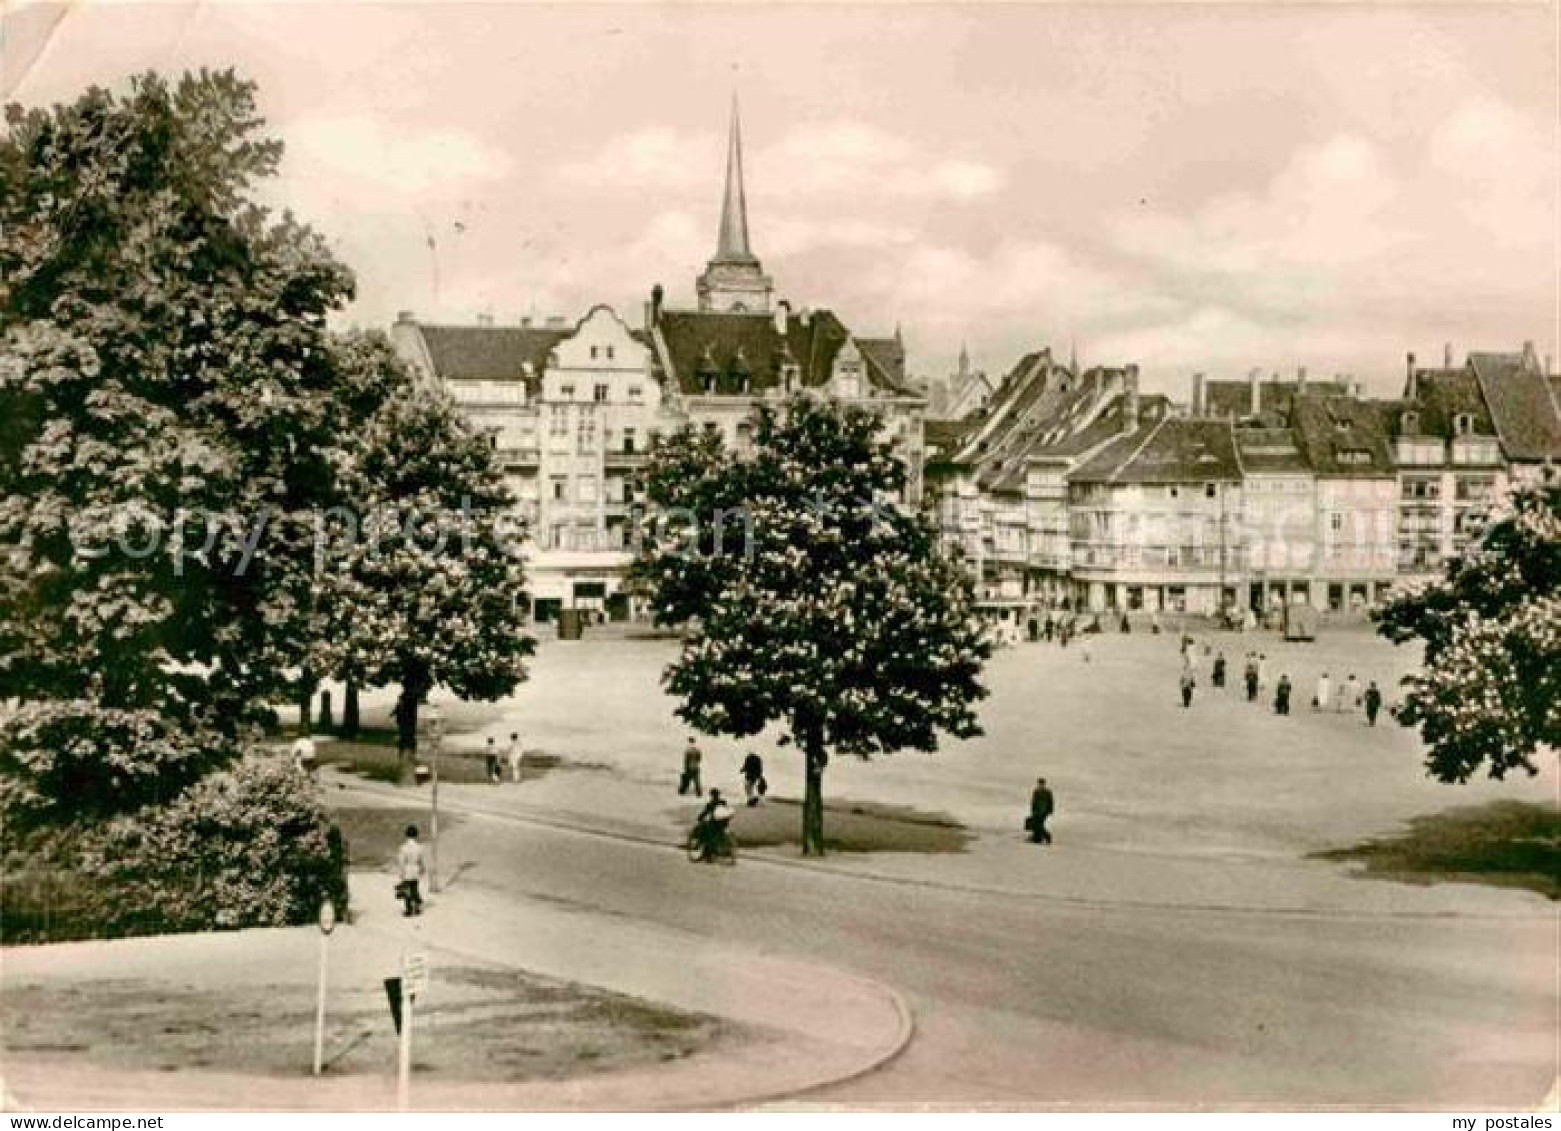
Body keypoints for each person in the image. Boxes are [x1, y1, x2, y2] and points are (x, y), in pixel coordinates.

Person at [695, 789, 735, 858]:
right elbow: (726, 810)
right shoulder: (723, 802)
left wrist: (700, 817)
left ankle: (707, 853)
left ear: (712, 795)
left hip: (714, 823)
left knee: (706, 834)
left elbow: (705, 812)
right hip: (724, 823)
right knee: (718, 834)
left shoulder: (711, 803)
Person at [396, 825, 425, 917]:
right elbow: (420, 860)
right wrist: (422, 869)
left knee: (407, 890)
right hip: (415, 869)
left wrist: (401, 873)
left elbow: (401, 862)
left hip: (407, 869)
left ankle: (408, 910)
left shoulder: (403, 847)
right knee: (415, 888)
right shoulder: (419, 847)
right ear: (416, 835)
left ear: (406, 835)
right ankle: (417, 908)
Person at [1027, 777, 1055, 844]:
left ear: (1044, 784)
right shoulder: (1036, 791)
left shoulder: (1047, 792)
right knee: (1037, 824)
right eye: (1040, 783)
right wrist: (1033, 810)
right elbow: (1033, 802)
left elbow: (1050, 801)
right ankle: (1037, 838)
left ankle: (1047, 836)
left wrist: (1050, 810)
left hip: (1044, 812)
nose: (1040, 785)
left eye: (1041, 784)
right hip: (1037, 811)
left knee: (1038, 825)